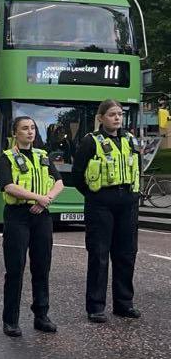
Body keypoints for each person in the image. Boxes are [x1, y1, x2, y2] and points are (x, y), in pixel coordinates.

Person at [72, 98, 140, 322]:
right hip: (101, 203)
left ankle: (124, 303)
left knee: (126, 254)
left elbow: (137, 168)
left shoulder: (130, 140)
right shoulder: (90, 141)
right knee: (99, 255)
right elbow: (77, 174)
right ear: (101, 118)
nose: (117, 118)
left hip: (127, 202)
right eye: (112, 114)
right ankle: (95, 306)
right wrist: (95, 196)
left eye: (119, 114)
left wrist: (133, 196)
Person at [0, 115, 62, 337]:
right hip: (18, 216)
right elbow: (8, 186)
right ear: (15, 133)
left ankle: (41, 316)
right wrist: (38, 198)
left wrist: (46, 200)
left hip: (41, 216)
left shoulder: (43, 156)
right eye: (25, 128)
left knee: (42, 267)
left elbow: (59, 182)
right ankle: (11, 321)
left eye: (33, 128)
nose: (30, 132)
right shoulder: (7, 157)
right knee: (15, 269)